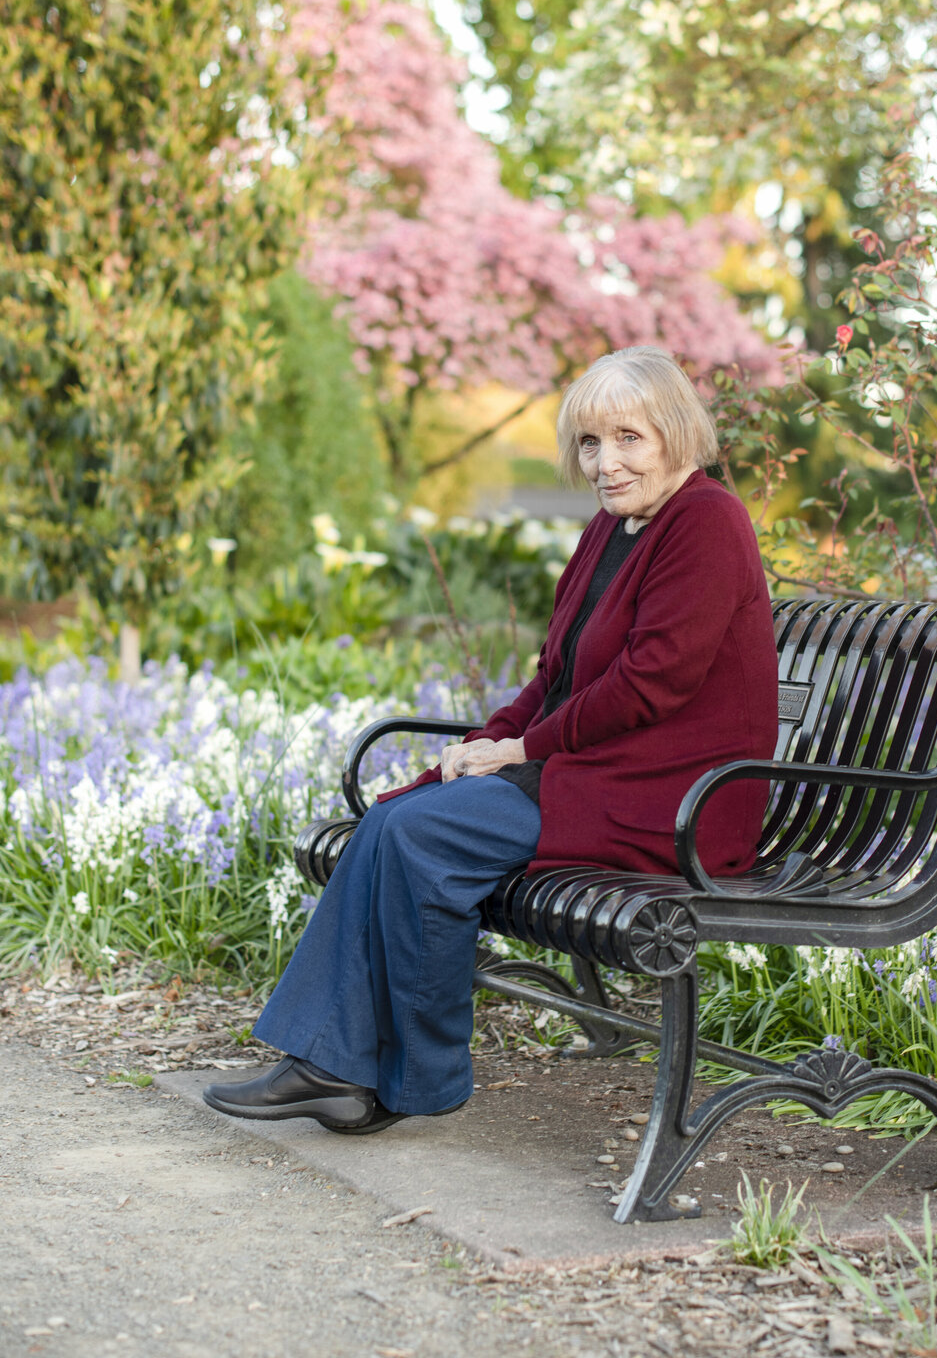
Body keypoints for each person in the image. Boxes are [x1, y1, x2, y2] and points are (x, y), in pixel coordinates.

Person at [203, 346, 777, 1134]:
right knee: (395, 821)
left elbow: (654, 683)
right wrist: (492, 738)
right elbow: (560, 672)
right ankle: (334, 1070)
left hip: (671, 799)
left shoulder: (707, 522)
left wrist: (523, 752)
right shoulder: (614, 531)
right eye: (588, 442)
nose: (605, 463)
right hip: (601, 775)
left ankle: (410, 1077)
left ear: (675, 432)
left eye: (627, 438)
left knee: (422, 835)